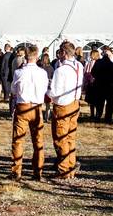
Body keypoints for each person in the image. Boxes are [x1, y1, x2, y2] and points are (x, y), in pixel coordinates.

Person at [9, 44, 48, 181]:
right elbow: (44, 90)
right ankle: (38, 171)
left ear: (25, 56)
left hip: (23, 106)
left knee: (18, 140)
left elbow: (13, 90)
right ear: (37, 56)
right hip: (37, 107)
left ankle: (17, 171)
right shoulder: (42, 73)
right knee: (38, 140)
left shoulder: (19, 72)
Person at [47, 40, 84, 179]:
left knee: (60, 137)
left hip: (63, 105)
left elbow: (55, 91)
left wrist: (46, 90)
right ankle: (71, 164)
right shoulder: (79, 66)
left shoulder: (60, 70)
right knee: (71, 136)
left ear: (63, 53)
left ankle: (63, 169)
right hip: (75, 103)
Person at [91, 47, 113, 122]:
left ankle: (98, 116)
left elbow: (93, 72)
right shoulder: (111, 64)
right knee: (109, 103)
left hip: (99, 84)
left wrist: (97, 78)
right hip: (108, 85)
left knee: (99, 102)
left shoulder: (98, 62)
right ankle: (108, 118)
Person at [83, 49, 101, 119]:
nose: (90, 56)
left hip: (94, 84)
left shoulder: (94, 63)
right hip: (93, 84)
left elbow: (86, 73)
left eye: (91, 54)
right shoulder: (91, 63)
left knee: (94, 101)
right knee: (94, 101)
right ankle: (94, 114)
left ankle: (95, 114)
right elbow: (86, 73)